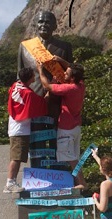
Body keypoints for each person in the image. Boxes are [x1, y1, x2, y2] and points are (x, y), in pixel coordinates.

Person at [18, 10, 73, 167]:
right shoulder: (25, 47)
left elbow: (71, 74)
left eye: (48, 22)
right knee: (36, 138)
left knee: (58, 136)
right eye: (41, 22)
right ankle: (38, 173)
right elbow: (19, 77)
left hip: (57, 100)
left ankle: (60, 172)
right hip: (34, 100)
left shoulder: (65, 47)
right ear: (35, 25)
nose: (44, 25)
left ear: (55, 26)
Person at [37, 57, 87, 189]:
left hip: (67, 127)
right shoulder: (80, 85)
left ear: (72, 78)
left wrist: (40, 70)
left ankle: (81, 183)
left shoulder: (68, 89)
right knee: (74, 156)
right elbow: (74, 68)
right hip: (76, 126)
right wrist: (60, 60)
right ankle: (80, 182)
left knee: (70, 157)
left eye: (66, 73)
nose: (64, 73)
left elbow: (46, 86)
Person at [4, 67, 47, 193]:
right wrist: (48, 94)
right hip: (20, 129)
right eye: (33, 76)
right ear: (30, 78)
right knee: (16, 158)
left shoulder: (16, 85)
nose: (35, 78)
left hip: (14, 125)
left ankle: (10, 182)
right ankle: (10, 183)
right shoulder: (27, 94)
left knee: (16, 156)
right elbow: (41, 104)